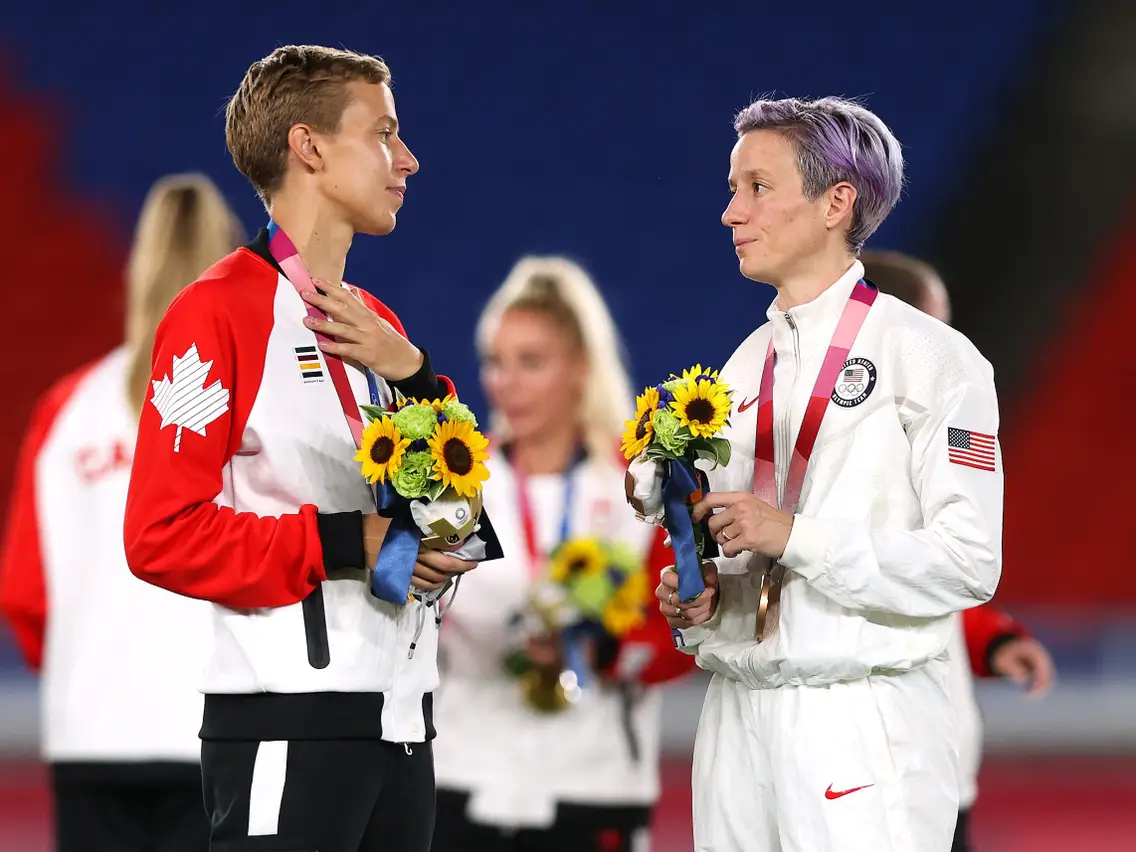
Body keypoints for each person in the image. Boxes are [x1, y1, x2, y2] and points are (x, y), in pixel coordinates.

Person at [123, 45, 494, 852]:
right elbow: (161, 534)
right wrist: (348, 540)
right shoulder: (217, 314)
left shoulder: (383, 327)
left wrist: (422, 379)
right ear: (310, 148)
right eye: (385, 134)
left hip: (401, 723)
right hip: (287, 722)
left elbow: (456, 518)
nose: (409, 159)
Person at [652, 96, 1003, 851]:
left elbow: (969, 564)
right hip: (737, 716)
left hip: (860, 719)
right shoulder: (743, 366)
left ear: (836, 203)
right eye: (732, 187)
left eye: (757, 187)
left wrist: (795, 535)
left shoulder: (933, 357)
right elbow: (754, 552)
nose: (730, 212)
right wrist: (710, 600)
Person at [0, 173, 242, 851]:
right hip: (219, 728)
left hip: (91, 733)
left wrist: (91, 665)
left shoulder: (68, 409)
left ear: (139, 267)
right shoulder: (250, 398)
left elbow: (25, 591)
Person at [430, 257, 697, 852]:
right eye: (496, 362)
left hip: (594, 784)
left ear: (580, 368)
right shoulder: (454, 489)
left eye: (531, 362)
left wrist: (599, 649)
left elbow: (684, 635)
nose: (506, 383)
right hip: (460, 773)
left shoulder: (639, 489)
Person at [861, 248, 1056, 852]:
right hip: (871, 764)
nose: (952, 345)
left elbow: (940, 576)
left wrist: (991, 639)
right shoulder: (844, 467)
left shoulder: (938, 439)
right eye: (938, 327)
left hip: (941, 762)